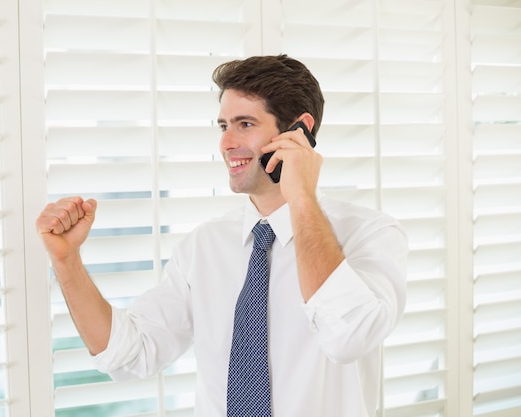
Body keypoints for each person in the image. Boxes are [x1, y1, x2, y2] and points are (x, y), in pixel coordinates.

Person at [36, 55, 408, 416]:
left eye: (245, 124)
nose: (226, 143)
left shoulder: (370, 235)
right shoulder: (204, 247)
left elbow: (348, 337)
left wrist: (301, 198)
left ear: (300, 130)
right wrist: (67, 262)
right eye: (222, 126)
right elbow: (131, 354)